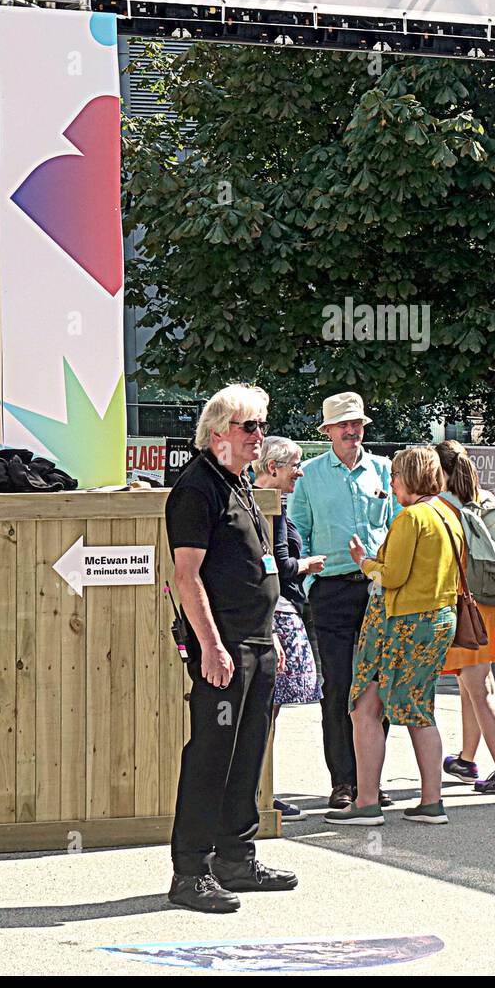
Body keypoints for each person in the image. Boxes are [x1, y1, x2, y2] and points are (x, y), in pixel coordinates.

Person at [164, 383, 297, 914]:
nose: (258, 436)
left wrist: (271, 637)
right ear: (218, 433)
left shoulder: (237, 482)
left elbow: (256, 567)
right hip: (224, 648)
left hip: (257, 642)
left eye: (262, 426)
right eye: (249, 427)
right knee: (211, 757)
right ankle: (190, 872)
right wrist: (212, 647)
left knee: (248, 755)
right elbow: (185, 577)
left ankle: (236, 858)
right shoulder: (198, 488)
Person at [326, 445, 460, 827]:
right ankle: (431, 801)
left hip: (400, 623)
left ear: (412, 477)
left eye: (397, 475)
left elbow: (392, 576)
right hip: (438, 619)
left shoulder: (411, 517)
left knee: (364, 707)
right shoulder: (448, 515)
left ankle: (366, 801)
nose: (392, 482)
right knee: (420, 709)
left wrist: (364, 561)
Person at [289, 392, 397, 809]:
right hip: (332, 589)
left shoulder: (384, 472)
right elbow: (296, 531)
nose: (352, 431)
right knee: (337, 687)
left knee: (376, 687)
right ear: (328, 432)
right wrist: (311, 584)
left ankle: (371, 779)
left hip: (376, 590)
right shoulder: (310, 476)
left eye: (357, 425)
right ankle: (343, 781)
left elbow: (395, 527)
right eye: (343, 425)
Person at [435, 442, 495, 794]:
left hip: (471, 608)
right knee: (472, 684)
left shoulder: (445, 507)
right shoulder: (486, 499)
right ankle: (467, 759)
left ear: (440, 472)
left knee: (479, 688)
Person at [253, 436, 326, 821]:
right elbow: (278, 566)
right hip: (277, 615)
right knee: (266, 711)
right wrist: (307, 565)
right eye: (295, 464)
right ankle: (259, 793)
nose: (300, 471)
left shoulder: (264, 504)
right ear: (272, 468)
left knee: (267, 711)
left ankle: (260, 791)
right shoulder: (272, 508)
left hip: (274, 613)